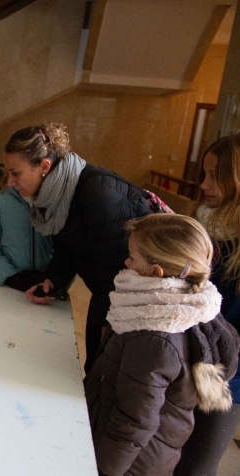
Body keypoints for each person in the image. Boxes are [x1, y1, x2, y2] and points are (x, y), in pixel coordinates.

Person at [85, 214, 239, 476]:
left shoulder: (153, 336)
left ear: (155, 272)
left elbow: (134, 422)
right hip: (137, 454)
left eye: (132, 257)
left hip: (130, 465)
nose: (126, 261)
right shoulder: (177, 308)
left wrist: (102, 471)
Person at [3, 122, 152, 372]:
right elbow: (68, 247)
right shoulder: (58, 194)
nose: (9, 182)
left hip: (131, 307)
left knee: (104, 376)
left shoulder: (99, 194)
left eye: (15, 173)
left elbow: (115, 274)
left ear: (44, 167)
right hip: (109, 297)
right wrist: (51, 280)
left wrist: (104, 331)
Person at [175, 134, 240, 476]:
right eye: (204, 173)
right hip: (183, 359)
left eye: (215, 175)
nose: (204, 184)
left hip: (226, 376)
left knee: (196, 466)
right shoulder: (199, 223)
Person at [0, 177, 53, 292]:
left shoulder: (59, 202)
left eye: (17, 173)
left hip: (49, 290)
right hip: (6, 288)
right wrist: (12, 277)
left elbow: (72, 251)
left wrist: (55, 280)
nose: (10, 181)